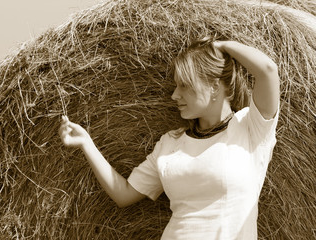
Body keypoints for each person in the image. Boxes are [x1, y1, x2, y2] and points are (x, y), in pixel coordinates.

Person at [59, 38, 280, 240]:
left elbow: (268, 71)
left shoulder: (250, 127)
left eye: (184, 85)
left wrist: (222, 46)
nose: (175, 95)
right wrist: (86, 143)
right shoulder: (171, 143)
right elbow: (123, 194)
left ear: (214, 87)